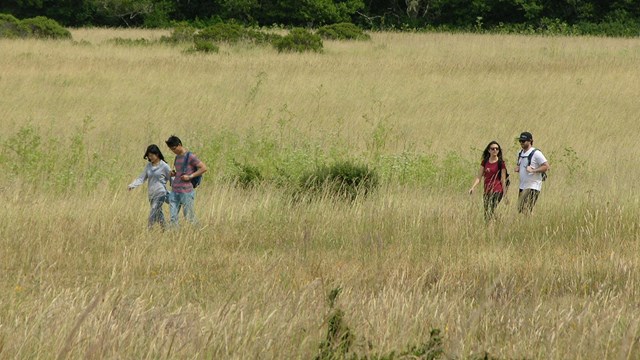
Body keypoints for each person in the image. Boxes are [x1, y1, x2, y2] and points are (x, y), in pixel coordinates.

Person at [165, 135, 207, 227]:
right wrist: (174, 174)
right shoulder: (177, 157)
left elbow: (203, 168)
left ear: (179, 145)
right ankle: (174, 237)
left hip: (186, 191)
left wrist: (190, 176)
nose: (173, 151)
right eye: (171, 149)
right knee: (173, 217)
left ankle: (199, 231)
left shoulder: (190, 156)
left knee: (189, 216)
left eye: (174, 148)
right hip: (175, 190)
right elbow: (181, 172)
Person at [128, 144, 171, 230]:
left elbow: (172, 178)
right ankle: (165, 229)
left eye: (151, 155)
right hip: (151, 194)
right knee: (159, 213)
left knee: (153, 211)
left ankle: (149, 229)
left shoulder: (164, 166)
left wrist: (179, 189)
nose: (150, 157)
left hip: (160, 192)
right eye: (148, 156)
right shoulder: (149, 166)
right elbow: (142, 178)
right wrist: (132, 185)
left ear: (157, 154)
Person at [469, 141, 508, 221]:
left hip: (497, 190)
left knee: (490, 211)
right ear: (489, 150)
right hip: (487, 191)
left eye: (497, 149)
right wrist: (473, 187)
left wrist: (504, 193)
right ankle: (498, 222)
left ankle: (495, 225)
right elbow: (479, 177)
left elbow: (503, 179)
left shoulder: (501, 163)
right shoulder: (485, 162)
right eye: (492, 148)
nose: (495, 150)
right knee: (487, 214)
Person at [515, 131, 549, 214]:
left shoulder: (536, 153)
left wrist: (533, 170)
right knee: (520, 209)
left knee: (527, 208)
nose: (521, 143)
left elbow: (546, 166)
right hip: (523, 185)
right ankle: (527, 223)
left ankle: (528, 223)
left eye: (523, 141)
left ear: (530, 141)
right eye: (520, 141)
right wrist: (518, 168)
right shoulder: (520, 153)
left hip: (533, 185)